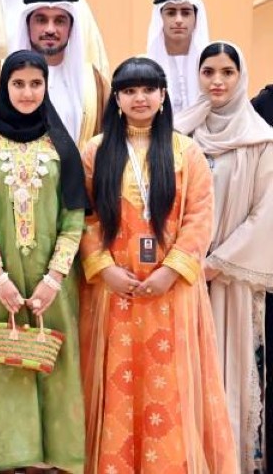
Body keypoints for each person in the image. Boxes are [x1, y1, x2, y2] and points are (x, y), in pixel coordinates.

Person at [80, 56, 236, 473]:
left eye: (148, 89)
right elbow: (84, 217)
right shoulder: (96, 152)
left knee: (169, 387)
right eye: (130, 91)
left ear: (163, 96)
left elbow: (200, 217)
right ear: (116, 99)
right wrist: (105, 268)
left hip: (172, 295)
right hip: (116, 294)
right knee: (119, 385)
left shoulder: (188, 153)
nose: (140, 98)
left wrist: (171, 271)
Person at [0, 49, 87, 473]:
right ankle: (3, 456)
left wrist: (54, 277)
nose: (28, 92)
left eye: (36, 84)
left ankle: (50, 457)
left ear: (46, 87)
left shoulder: (61, 144)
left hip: (53, 285)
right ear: (4, 88)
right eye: (18, 84)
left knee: (53, 366)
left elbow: (74, 217)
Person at [176, 42, 273, 471]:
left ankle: (226, 460)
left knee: (227, 366)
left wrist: (217, 262)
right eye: (209, 72)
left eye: (227, 72)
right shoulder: (180, 133)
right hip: (182, 273)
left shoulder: (260, 139)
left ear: (241, 76)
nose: (217, 81)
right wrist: (185, 259)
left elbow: (265, 214)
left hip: (231, 278)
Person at [0, 0, 109, 147]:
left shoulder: (93, 83)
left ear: (71, 28)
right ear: (28, 26)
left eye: (59, 21)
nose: (50, 29)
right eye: (41, 20)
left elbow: (109, 141)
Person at [146, 0, 210, 114]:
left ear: (196, 18)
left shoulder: (211, 64)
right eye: (171, 13)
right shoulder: (145, 66)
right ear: (160, 18)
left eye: (186, 13)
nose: (179, 20)